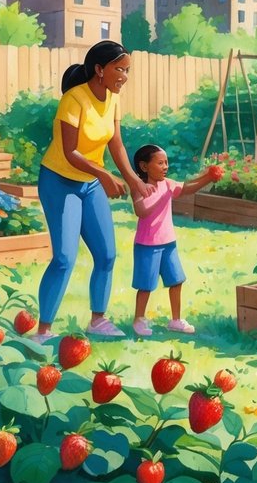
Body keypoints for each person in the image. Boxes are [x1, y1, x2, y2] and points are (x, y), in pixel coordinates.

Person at [36, 41, 152, 341]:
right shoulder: (74, 100)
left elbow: (116, 144)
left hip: (88, 185)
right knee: (64, 258)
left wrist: (134, 180)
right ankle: (43, 330)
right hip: (59, 181)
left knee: (107, 255)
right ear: (100, 69)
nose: (125, 76)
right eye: (120, 69)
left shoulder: (112, 100)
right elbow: (70, 150)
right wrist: (104, 174)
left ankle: (98, 319)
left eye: (127, 70)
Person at [129, 145, 220, 337]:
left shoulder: (168, 184)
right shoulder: (139, 187)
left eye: (166, 162)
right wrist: (162, 197)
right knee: (145, 285)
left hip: (168, 243)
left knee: (176, 281)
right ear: (144, 167)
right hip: (147, 245)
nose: (165, 167)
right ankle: (139, 319)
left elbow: (187, 188)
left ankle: (176, 320)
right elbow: (141, 211)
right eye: (160, 163)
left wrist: (207, 177)